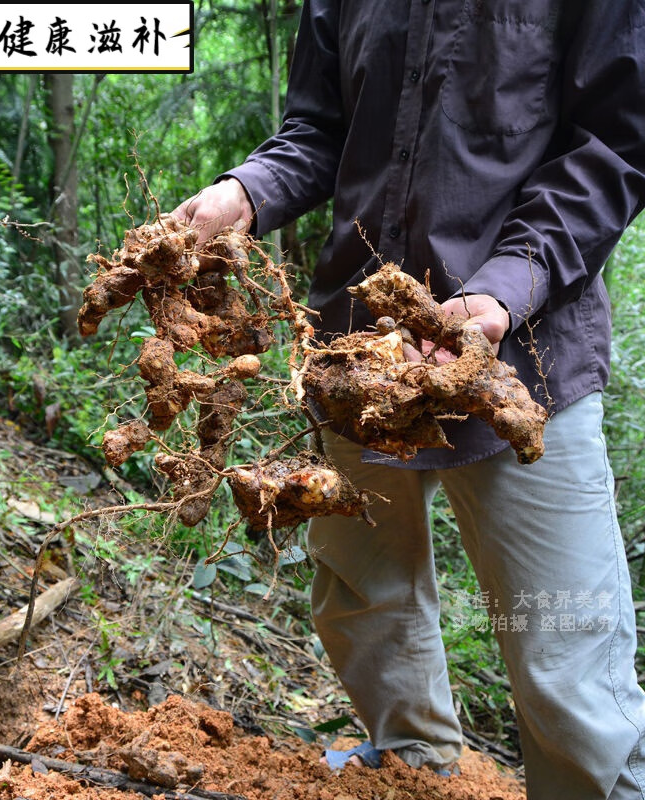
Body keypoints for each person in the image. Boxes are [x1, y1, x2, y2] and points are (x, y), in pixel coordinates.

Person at [172, 2, 645, 797]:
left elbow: (614, 149)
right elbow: (320, 128)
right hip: (357, 350)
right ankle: (411, 766)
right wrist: (246, 192)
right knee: (364, 588)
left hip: (520, 359)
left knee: (563, 648)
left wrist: (498, 292)